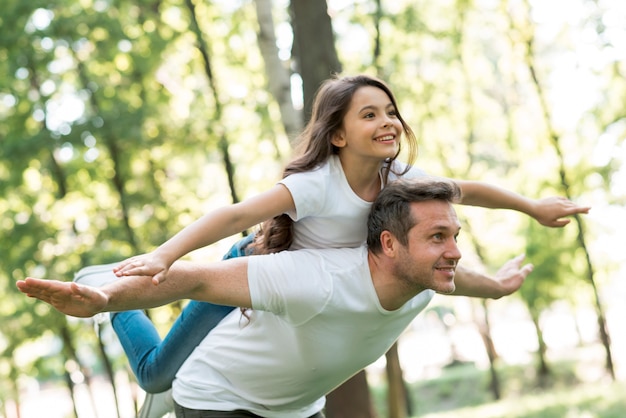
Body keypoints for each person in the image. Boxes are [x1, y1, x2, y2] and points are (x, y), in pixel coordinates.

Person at [67, 74, 588, 417]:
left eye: (390, 112)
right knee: (158, 373)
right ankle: (106, 283)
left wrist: (532, 208)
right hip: (252, 265)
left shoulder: (400, 178)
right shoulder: (317, 182)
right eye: (369, 115)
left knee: (183, 377)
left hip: (294, 292)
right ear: (336, 135)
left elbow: (468, 192)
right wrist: (163, 256)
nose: (387, 122)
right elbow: (234, 215)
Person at [17, 177, 534, 418]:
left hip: (294, 407)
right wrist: (104, 298)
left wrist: (500, 286)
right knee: (156, 372)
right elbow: (193, 275)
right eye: (440, 239)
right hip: (222, 393)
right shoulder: (318, 263)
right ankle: (106, 275)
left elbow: (464, 264)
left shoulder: (421, 270)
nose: (455, 253)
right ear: (389, 244)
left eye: (455, 237)